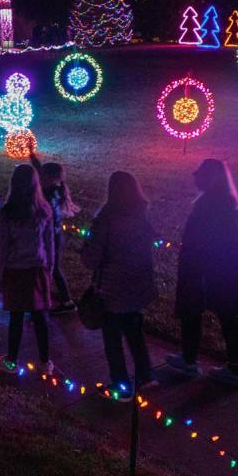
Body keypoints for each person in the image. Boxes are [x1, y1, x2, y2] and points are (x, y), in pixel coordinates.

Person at [167, 159, 238, 387]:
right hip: (225, 270)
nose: (195, 178)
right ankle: (231, 367)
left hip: (210, 270)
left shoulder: (210, 205)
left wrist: (199, 270)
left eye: (200, 175)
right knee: (227, 317)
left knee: (195, 311)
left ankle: (191, 361)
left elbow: (200, 239)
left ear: (211, 178)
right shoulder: (228, 203)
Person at [80, 171, 159, 399]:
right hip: (137, 284)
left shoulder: (106, 218)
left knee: (112, 338)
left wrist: (85, 251)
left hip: (112, 289)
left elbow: (93, 257)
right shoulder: (141, 214)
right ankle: (147, 375)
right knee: (134, 331)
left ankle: (121, 385)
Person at [0, 164, 56, 374]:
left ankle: (12, 360)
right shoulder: (43, 210)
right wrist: (49, 267)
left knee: (16, 316)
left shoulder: (7, 212)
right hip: (37, 268)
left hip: (15, 269)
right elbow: (49, 244)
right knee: (40, 316)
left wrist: (0, 273)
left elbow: (2, 246)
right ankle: (44, 361)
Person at [30, 146, 79, 313]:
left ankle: (63, 301)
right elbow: (38, 168)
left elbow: (45, 219)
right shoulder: (55, 188)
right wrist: (31, 153)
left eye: (42, 175)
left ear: (49, 178)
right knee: (52, 267)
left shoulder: (49, 195)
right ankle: (62, 301)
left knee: (52, 267)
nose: (38, 177)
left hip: (51, 237)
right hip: (55, 235)